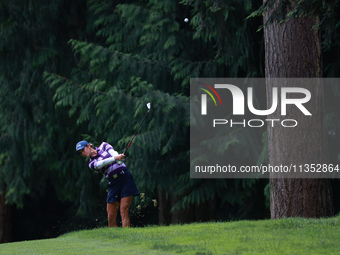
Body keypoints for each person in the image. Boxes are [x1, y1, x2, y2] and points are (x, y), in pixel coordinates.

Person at [75, 140, 140, 227]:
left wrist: (119, 159)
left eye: (82, 150)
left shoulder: (104, 145)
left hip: (125, 178)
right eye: (80, 152)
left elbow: (113, 153)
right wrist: (115, 158)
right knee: (111, 216)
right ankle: (115, 239)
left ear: (88, 146)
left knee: (124, 210)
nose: (82, 153)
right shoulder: (91, 164)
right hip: (113, 183)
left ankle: (127, 237)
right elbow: (102, 163)